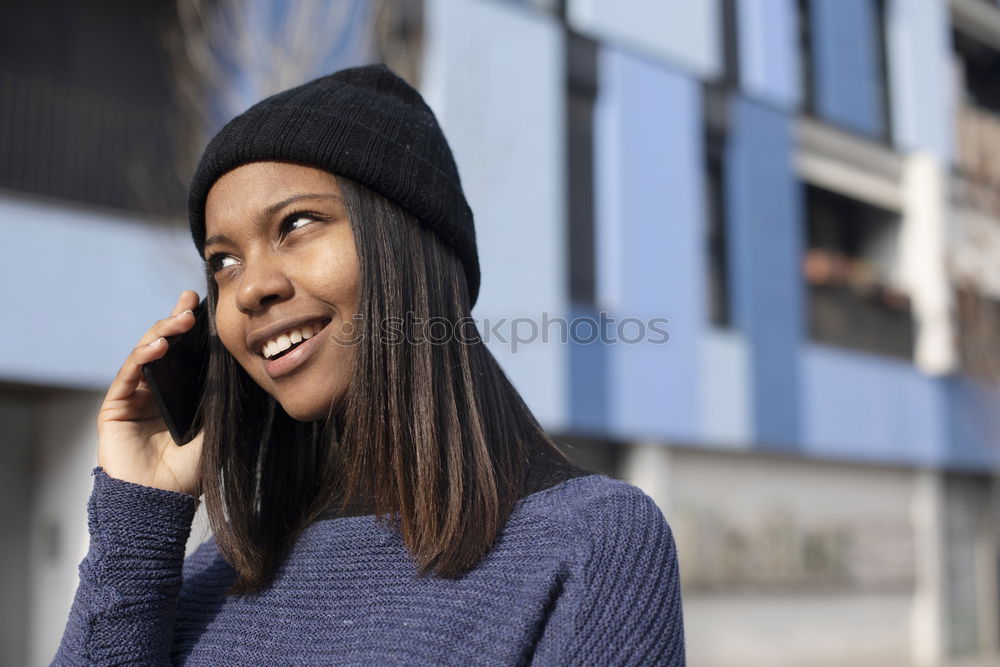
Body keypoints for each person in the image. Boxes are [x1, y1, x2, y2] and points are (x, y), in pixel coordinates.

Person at [53, 63, 686, 666]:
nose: (248, 289)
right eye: (224, 261)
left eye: (297, 223)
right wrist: (139, 517)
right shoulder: (207, 575)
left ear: (408, 247)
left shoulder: (588, 543)